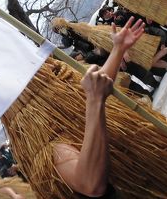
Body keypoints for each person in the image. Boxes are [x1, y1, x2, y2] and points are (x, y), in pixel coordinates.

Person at [52, 17, 145, 197]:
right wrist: (95, 100)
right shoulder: (50, 145)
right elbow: (90, 184)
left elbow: (93, 87)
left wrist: (118, 48)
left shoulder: (65, 104)